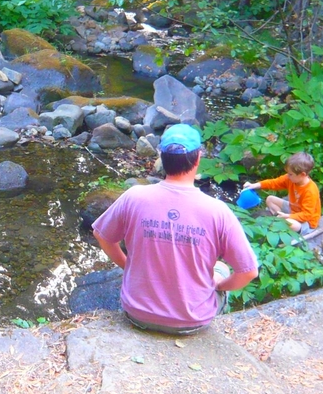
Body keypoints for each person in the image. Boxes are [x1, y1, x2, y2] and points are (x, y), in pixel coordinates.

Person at [92, 124, 259, 335]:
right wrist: (218, 285)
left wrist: (128, 265)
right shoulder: (217, 211)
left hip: (138, 314)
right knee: (221, 268)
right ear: (198, 158)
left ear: (162, 157)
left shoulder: (134, 197)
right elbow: (249, 271)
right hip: (192, 321)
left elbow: (101, 234)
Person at [242, 152, 321, 234]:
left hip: (307, 222)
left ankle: (282, 222)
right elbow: (274, 183)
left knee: (290, 223)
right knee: (270, 199)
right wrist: (254, 185)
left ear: (302, 175)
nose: (288, 176)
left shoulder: (310, 191)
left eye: (290, 174)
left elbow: (307, 215)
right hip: (293, 209)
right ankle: (278, 217)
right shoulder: (291, 179)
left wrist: (288, 216)